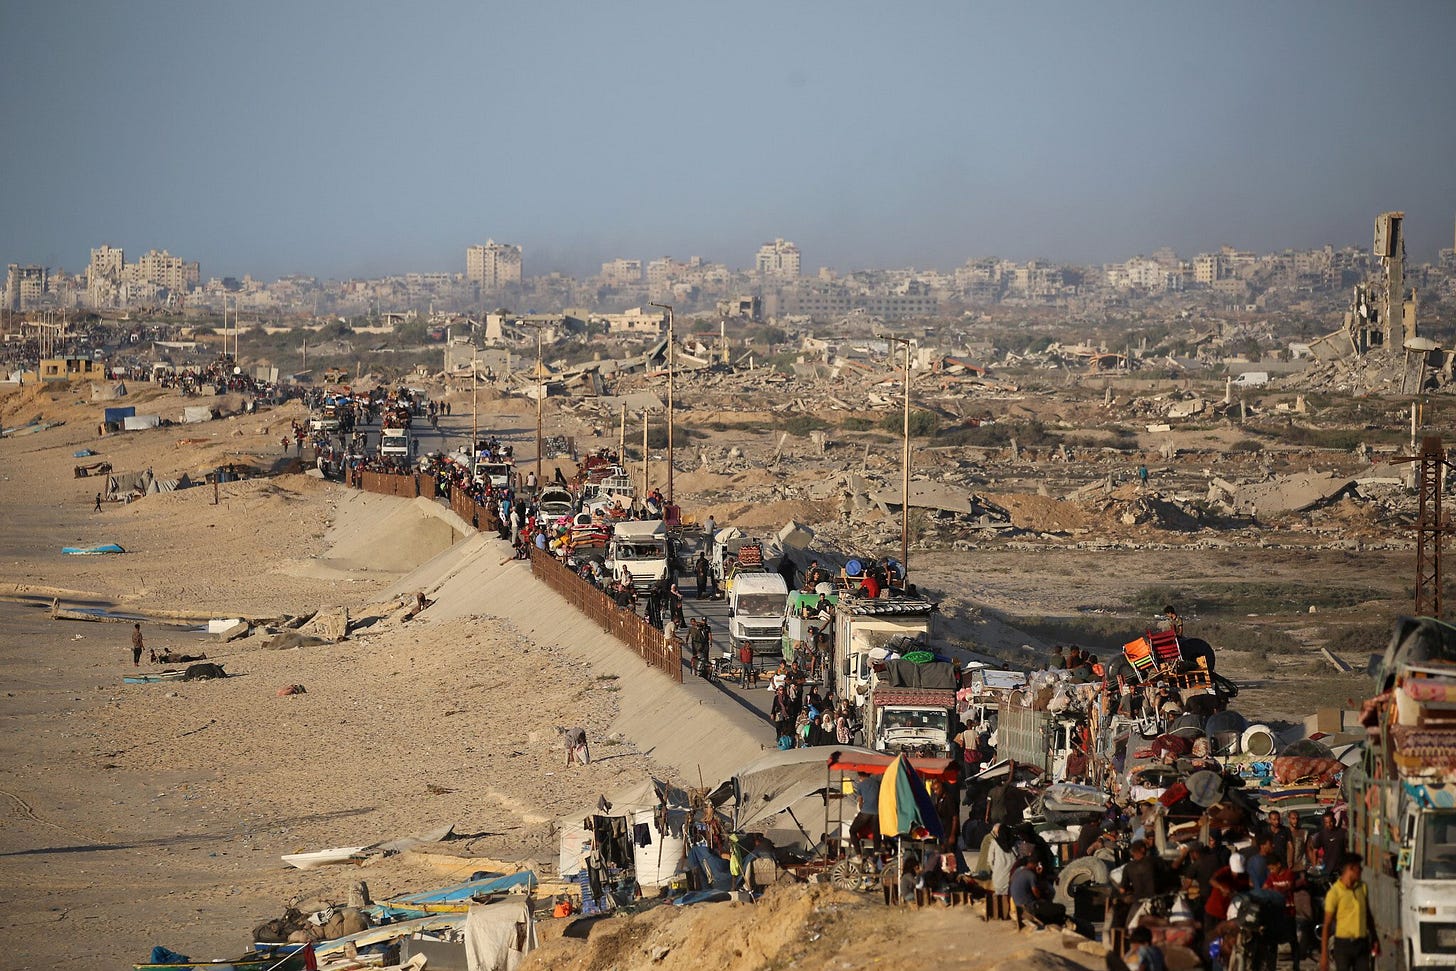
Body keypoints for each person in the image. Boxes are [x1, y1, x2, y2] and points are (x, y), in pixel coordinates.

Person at [1321, 855, 1376, 971]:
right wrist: (1324, 955)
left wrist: (1375, 938)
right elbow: (1327, 925)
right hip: (1343, 945)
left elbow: (1368, 915)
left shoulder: (1362, 887)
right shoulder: (1334, 893)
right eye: (1359, 868)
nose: (1361, 870)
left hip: (1362, 943)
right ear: (1351, 869)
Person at [1009, 857, 1065, 926]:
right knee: (1061, 908)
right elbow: (1036, 893)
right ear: (1034, 864)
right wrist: (1042, 899)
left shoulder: (1017, 871)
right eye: (1037, 865)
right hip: (1029, 908)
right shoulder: (1031, 875)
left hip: (1017, 907)